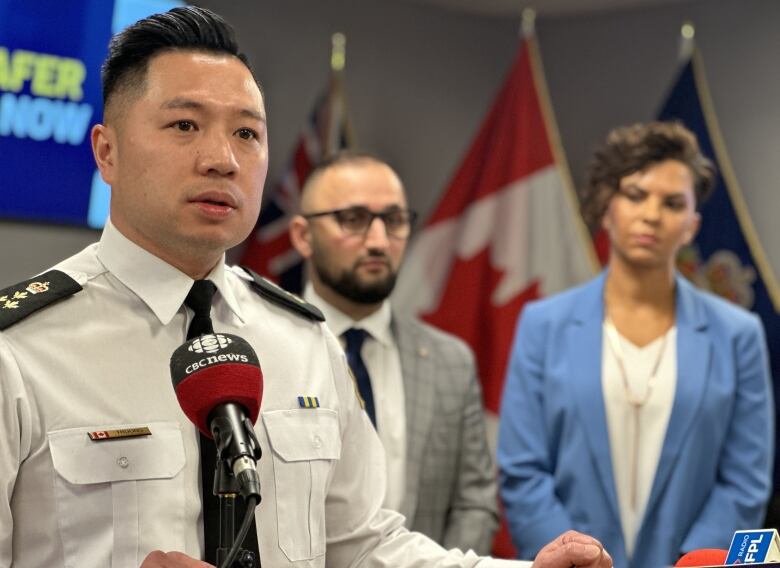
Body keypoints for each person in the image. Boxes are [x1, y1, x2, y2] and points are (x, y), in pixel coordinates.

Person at [0, 6, 613, 568]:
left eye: (246, 133)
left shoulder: (302, 339)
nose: (223, 159)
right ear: (106, 152)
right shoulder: (22, 349)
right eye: (184, 125)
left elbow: (363, 545)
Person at [497, 121, 773, 568]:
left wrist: (691, 562)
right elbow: (522, 472)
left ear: (691, 224)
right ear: (607, 208)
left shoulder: (739, 334)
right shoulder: (543, 324)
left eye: (672, 203)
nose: (651, 214)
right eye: (635, 194)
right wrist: (573, 559)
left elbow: (745, 482)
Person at [287, 151, 499, 553]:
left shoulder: (450, 361)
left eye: (395, 221)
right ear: (302, 236)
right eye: (353, 219)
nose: (380, 241)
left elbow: (475, 502)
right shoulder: (268, 351)